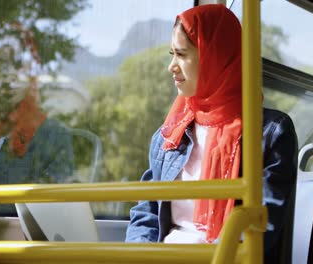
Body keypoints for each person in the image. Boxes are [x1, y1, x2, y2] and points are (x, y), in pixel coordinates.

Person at [125, 4, 297, 262]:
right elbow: (146, 213)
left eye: (182, 55)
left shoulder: (271, 132)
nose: (171, 66)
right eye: (172, 54)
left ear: (214, 56)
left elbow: (261, 226)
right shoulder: (169, 135)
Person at [0, 86, 74, 185]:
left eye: (12, 110)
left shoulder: (56, 135)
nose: (10, 118)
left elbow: (57, 182)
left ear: (27, 105)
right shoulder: (4, 144)